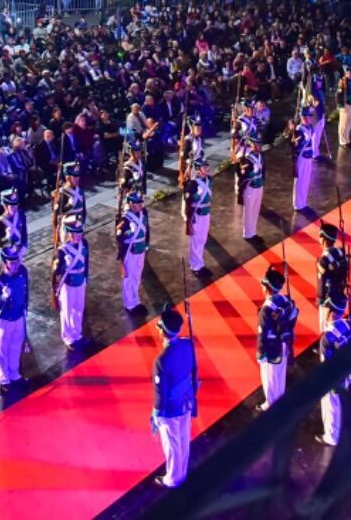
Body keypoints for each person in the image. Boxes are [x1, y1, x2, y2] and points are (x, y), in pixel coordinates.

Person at [151, 304, 197, 488]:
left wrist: (157, 413)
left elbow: (160, 392)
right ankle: (182, 471)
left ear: (163, 332)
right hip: (187, 401)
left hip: (170, 408)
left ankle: (173, 478)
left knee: (172, 445)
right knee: (183, 439)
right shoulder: (187, 344)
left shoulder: (161, 360)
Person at [316, 289, 351, 447]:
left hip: (333, 376)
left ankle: (331, 435)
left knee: (330, 405)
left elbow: (326, 362)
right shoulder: (347, 325)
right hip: (346, 370)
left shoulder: (327, 337)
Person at [0, 243, 31, 387]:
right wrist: (3, 297)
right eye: (13, 262)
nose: (16, 264)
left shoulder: (22, 271)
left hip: (19, 316)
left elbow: (25, 291)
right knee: (3, 349)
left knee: (16, 346)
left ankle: (14, 372)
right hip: (4, 320)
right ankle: (4, 376)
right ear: (5, 262)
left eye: (17, 260)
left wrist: (25, 308)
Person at [255, 264, 298, 411]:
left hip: (271, 349)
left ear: (267, 288)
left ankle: (271, 405)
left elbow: (263, 333)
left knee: (269, 379)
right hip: (284, 343)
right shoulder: (286, 301)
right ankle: (280, 398)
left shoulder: (266, 309)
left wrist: (261, 353)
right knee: (280, 376)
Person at [54, 212, 88, 347]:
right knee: (67, 311)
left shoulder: (84, 244)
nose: (79, 236)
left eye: (80, 233)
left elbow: (87, 262)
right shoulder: (62, 251)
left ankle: (77, 333)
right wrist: (63, 265)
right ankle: (68, 336)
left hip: (80, 280)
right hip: (68, 283)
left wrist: (86, 278)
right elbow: (55, 272)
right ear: (69, 233)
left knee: (79, 308)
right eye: (76, 233)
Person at [117, 188, 149, 311]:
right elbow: (119, 237)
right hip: (130, 251)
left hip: (140, 249)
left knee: (137, 276)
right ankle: (129, 303)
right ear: (130, 204)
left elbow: (147, 230)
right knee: (128, 278)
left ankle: (135, 300)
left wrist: (146, 245)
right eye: (137, 203)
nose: (140, 205)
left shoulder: (143, 213)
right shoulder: (125, 219)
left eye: (141, 202)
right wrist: (129, 232)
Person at [315, 221, 349, 332]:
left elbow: (323, 276)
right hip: (339, 291)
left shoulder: (324, 259)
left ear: (323, 239)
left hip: (327, 297)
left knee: (325, 328)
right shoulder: (340, 252)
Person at [183, 155, 212, 273]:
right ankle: (196, 266)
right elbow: (188, 205)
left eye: (206, 167)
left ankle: (200, 263)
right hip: (196, 215)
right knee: (196, 241)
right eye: (204, 167)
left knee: (202, 239)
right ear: (198, 169)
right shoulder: (192, 185)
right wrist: (189, 222)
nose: (207, 169)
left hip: (206, 213)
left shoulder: (209, 180)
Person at [291, 107, 318, 214]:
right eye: (307, 117)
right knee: (299, 180)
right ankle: (297, 203)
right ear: (303, 118)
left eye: (310, 117)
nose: (309, 119)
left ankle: (303, 202)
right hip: (301, 157)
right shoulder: (299, 130)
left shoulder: (310, 127)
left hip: (308, 155)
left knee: (306, 179)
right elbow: (295, 145)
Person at [238, 136, 264, 240]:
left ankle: (253, 231)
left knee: (256, 210)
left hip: (259, 185)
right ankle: (247, 233)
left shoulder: (260, 156)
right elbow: (243, 174)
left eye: (260, 144)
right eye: (257, 144)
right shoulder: (247, 159)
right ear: (252, 145)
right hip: (250, 187)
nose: (260, 146)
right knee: (249, 211)